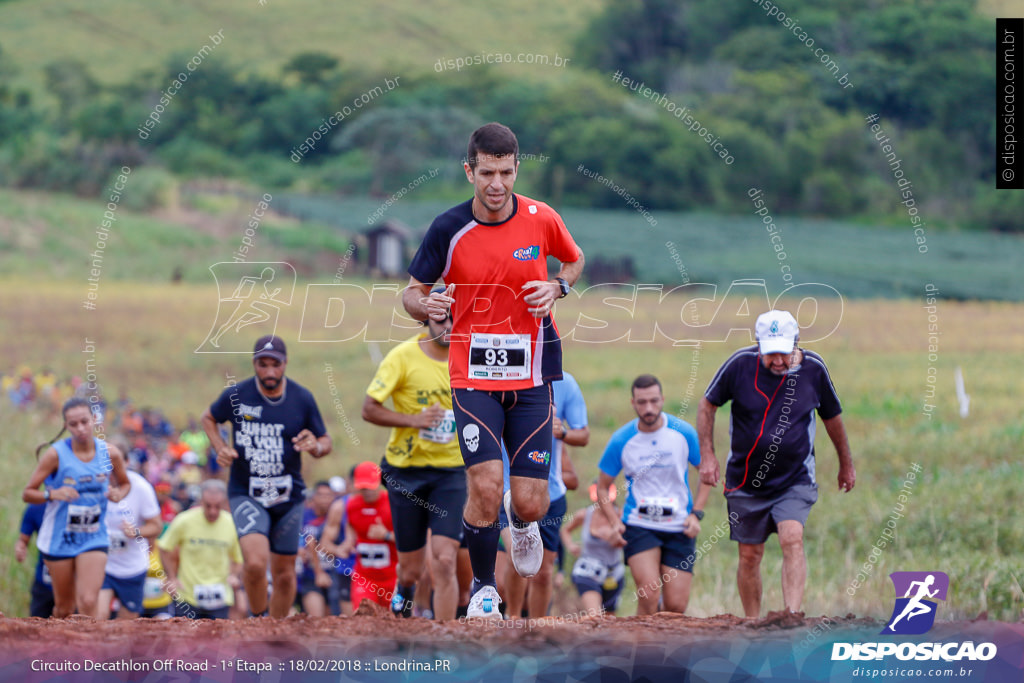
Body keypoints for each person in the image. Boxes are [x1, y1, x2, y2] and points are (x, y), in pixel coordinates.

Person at [402, 122, 585, 618]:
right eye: (487, 173)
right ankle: (484, 591)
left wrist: (558, 289)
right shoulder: (448, 228)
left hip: (533, 373)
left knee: (531, 503)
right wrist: (429, 307)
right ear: (469, 171)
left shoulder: (541, 218)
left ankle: (520, 520)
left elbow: (573, 260)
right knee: (483, 484)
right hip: (473, 375)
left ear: (516, 169)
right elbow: (410, 293)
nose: (497, 184)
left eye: (506, 172)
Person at [698, 309, 855, 617]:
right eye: (771, 354)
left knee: (792, 538)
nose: (778, 361)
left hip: (794, 478)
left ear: (796, 343)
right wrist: (708, 455)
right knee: (749, 555)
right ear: (758, 346)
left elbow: (832, 418)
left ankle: (791, 617)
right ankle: (753, 622)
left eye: (784, 352)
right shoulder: (739, 365)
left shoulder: (814, 370)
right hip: (745, 479)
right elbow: (707, 405)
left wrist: (845, 464)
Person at [201, 334, 332, 618]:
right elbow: (208, 418)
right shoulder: (237, 395)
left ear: (285, 364)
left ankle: (277, 628)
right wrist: (221, 446)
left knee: (284, 574)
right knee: (256, 563)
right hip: (247, 492)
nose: (270, 372)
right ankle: (258, 621)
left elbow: (325, 441)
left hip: (288, 496)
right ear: (254, 363)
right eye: (263, 364)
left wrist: (316, 446)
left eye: (276, 364)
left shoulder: (301, 398)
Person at [361, 304, 465, 620]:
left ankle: (445, 639)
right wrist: (413, 420)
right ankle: (404, 607)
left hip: (451, 472)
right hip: (406, 473)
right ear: (426, 320)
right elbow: (369, 408)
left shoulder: (470, 355)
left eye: (453, 318)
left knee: (445, 560)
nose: (447, 325)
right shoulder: (402, 357)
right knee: (410, 571)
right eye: (440, 319)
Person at [596, 374, 710, 615]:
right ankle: (643, 651)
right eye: (642, 402)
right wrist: (615, 521)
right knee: (648, 595)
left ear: (662, 400)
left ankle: (669, 652)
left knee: (676, 607)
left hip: (679, 525)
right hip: (639, 524)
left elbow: (707, 473)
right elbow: (602, 487)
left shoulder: (684, 433)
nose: (649, 408)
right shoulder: (621, 440)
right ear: (633, 403)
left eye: (654, 401)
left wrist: (696, 514)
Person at [21, 397, 131, 618]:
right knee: (64, 607)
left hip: (93, 536)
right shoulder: (55, 455)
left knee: (89, 601)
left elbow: (125, 483)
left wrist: (118, 494)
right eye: (73, 424)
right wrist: (52, 493)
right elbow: (28, 493)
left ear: (94, 420)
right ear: (66, 426)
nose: (80, 428)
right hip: (59, 538)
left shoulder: (110, 454)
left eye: (84, 421)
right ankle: (59, 651)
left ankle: (86, 653)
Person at [503, 371, 589, 619]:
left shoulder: (566, 383)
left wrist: (561, 432)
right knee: (516, 556)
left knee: (544, 571)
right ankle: (514, 619)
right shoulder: (503, 378)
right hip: (509, 488)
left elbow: (583, 435)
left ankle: (538, 627)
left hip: (549, 492)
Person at [157, 479, 243, 619]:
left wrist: (233, 575)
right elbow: (165, 547)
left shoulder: (231, 523)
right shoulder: (184, 520)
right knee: (185, 639)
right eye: (208, 506)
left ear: (225, 503)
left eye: (217, 506)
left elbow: (238, 558)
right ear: (201, 501)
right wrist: (171, 577)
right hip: (187, 595)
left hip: (220, 597)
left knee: (218, 639)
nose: (212, 511)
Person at [98, 469, 162, 619]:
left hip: (132, 566)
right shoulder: (96, 481)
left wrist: (136, 532)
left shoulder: (141, 487)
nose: (111, 475)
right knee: (98, 617)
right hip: (103, 563)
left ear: (124, 463)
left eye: (115, 470)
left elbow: (156, 526)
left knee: (127, 623)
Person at [337, 462, 397, 610]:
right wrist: (346, 545)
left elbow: (412, 540)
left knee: (396, 621)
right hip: (365, 578)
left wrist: (386, 535)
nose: (367, 491)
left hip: (393, 578)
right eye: (363, 487)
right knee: (363, 616)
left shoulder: (393, 504)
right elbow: (350, 535)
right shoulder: (352, 505)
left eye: (371, 486)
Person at [561, 481, 626, 616]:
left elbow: (631, 541)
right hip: (588, 570)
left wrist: (614, 538)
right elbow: (565, 530)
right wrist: (571, 546)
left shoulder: (622, 515)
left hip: (614, 573)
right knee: (594, 616)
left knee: (609, 619)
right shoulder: (584, 515)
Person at [296, 481, 342, 616]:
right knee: (316, 619)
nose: (325, 499)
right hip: (309, 576)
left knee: (336, 619)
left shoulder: (339, 517)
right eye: (321, 495)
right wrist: (299, 551)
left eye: (328, 495)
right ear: (314, 497)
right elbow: (298, 542)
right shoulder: (303, 517)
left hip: (336, 574)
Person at [15, 503, 55, 618]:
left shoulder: (79, 506)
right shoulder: (35, 508)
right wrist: (20, 548)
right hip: (43, 584)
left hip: (73, 584)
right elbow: (23, 539)